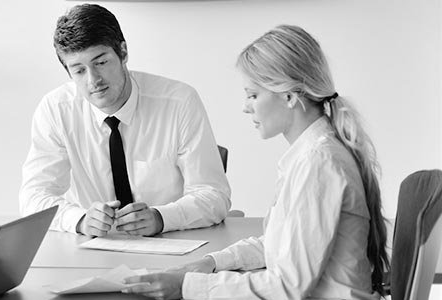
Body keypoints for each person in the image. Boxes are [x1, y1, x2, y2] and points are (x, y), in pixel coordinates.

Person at [123, 25, 390, 299]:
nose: (245, 106)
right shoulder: (311, 155)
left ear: (288, 96)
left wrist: (186, 287)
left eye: (253, 95)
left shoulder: (318, 163)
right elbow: (279, 245)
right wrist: (211, 263)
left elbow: (288, 285)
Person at [20, 4, 231, 237]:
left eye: (101, 63)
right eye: (79, 70)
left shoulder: (179, 102)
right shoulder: (56, 110)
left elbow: (214, 195)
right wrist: (79, 220)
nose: (93, 81)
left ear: (123, 52)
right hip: (92, 249)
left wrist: (161, 218)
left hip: (171, 244)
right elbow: (33, 197)